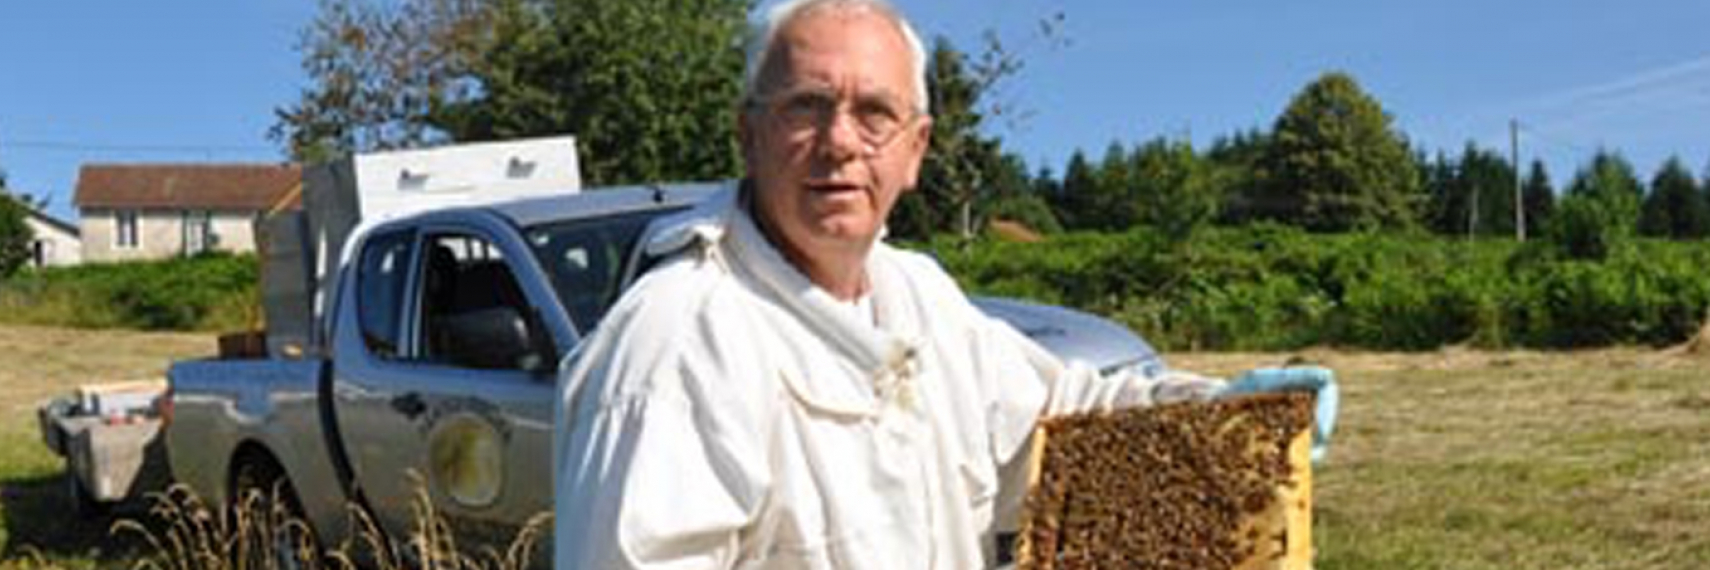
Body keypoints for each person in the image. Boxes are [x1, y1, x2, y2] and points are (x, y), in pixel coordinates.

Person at [553, 0, 1336, 568]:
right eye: (806, 107)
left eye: (874, 114)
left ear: (916, 148)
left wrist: (1227, 414)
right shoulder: (677, 344)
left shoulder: (917, 297)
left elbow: (1062, 420)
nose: (839, 143)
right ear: (748, 132)